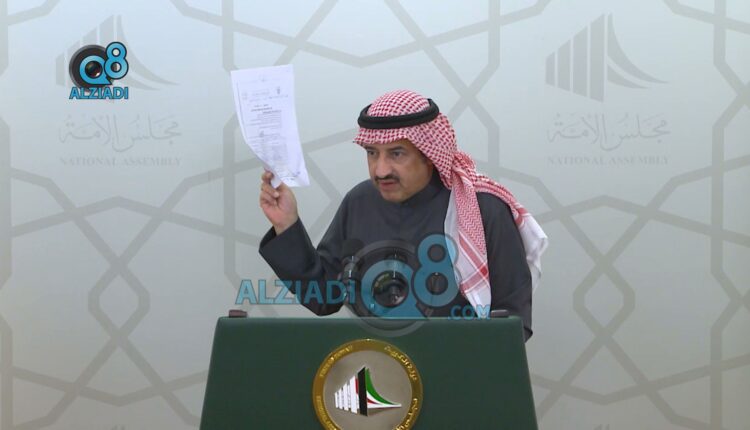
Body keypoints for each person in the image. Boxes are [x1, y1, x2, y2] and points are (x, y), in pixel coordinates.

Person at [258, 90, 547, 340]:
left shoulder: (483, 209)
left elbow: (512, 322)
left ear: (429, 154)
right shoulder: (360, 202)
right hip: (375, 365)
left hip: (460, 371)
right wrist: (287, 225)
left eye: (396, 153)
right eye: (372, 153)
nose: (381, 170)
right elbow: (324, 297)